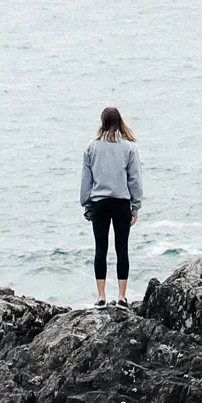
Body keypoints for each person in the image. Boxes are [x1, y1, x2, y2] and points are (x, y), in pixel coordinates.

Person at [79, 107, 143, 307]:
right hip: (122, 203)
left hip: (99, 204)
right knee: (122, 249)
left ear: (102, 122)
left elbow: (86, 181)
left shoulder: (91, 147)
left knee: (101, 249)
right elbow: (135, 180)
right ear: (120, 122)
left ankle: (101, 297)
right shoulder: (129, 148)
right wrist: (135, 206)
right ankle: (122, 297)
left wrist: (87, 205)